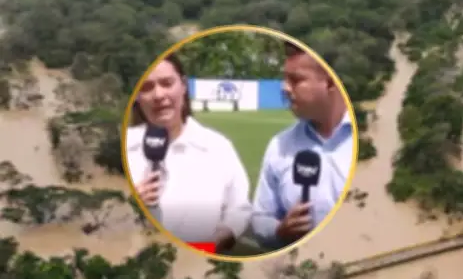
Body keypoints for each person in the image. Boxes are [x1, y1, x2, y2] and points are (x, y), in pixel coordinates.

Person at [125, 54, 252, 253]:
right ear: (138, 97)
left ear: (183, 86)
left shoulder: (218, 147)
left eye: (167, 83)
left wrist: (220, 237)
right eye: (147, 87)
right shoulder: (123, 146)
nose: (159, 95)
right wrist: (128, 206)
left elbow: (239, 208)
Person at [251, 43, 354, 250]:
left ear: (329, 82)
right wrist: (279, 230)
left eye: (296, 80)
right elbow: (260, 217)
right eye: (285, 79)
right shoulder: (279, 145)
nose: (284, 88)